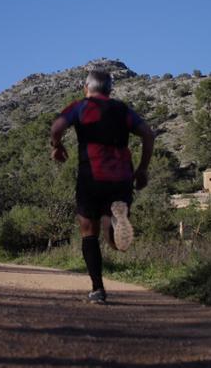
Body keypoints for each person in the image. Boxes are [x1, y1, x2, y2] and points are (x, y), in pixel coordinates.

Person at [49, 70, 154, 304]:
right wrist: (142, 168)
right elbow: (148, 133)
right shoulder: (122, 109)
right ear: (109, 89)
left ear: (86, 87)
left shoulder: (79, 106)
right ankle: (115, 223)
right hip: (121, 178)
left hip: (91, 177)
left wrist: (57, 146)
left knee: (88, 232)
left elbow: (56, 128)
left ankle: (98, 288)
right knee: (112, 230)